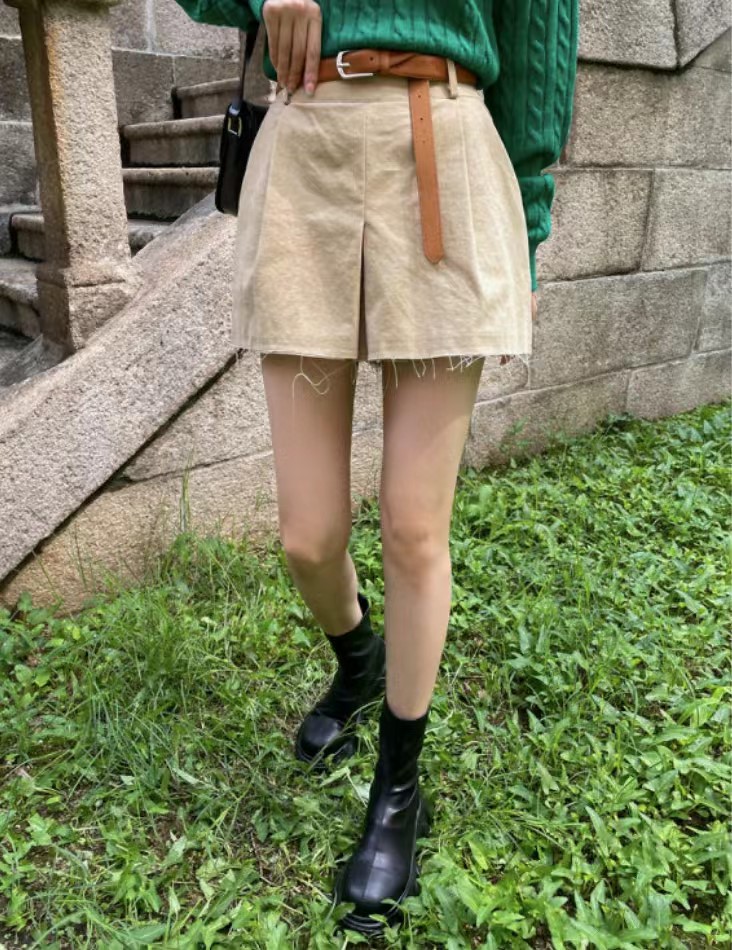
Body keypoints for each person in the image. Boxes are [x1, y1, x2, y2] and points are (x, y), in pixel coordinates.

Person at [175, 0, 578, 935]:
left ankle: (399, 790)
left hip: (447, 150)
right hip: (306, 150)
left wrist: (525, 224)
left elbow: (539, 40)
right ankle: (358, 662)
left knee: (412, 525)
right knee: (308, 537)